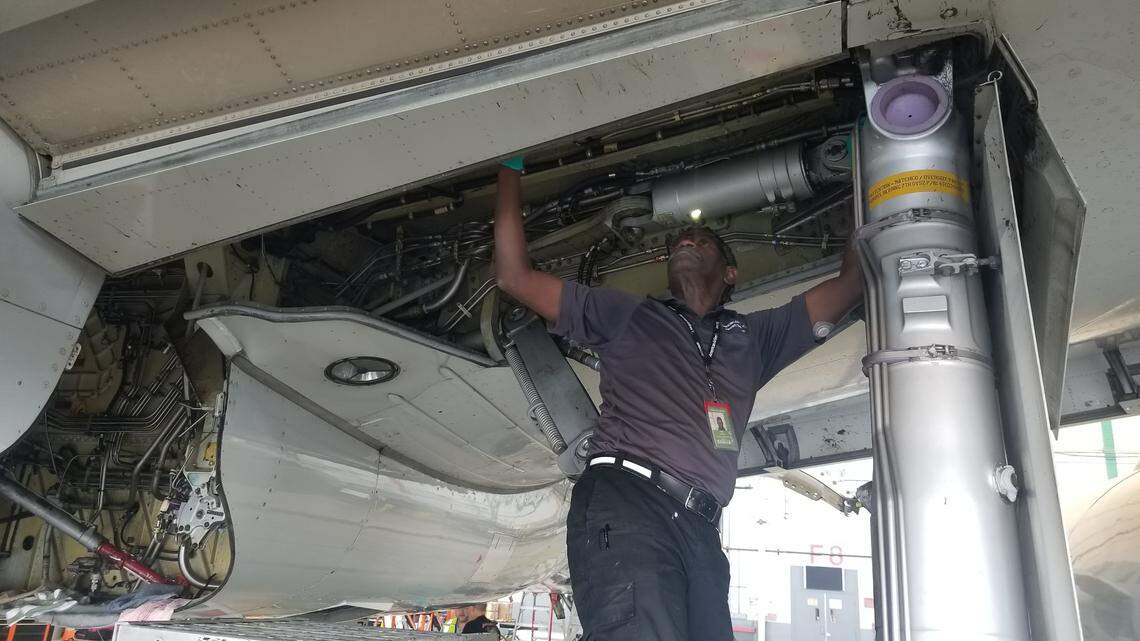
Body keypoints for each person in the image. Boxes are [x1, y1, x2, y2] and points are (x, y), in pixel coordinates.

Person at [493, 158, 862, 641]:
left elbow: (850, 284)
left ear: (730, 273)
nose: (686, 242)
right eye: (679, 243)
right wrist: (509, 169)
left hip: (701, 530)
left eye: (701, 241)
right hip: (630, 505)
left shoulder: (752, 338)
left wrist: (865, 170)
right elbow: (515, 278)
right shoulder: (628, 315)